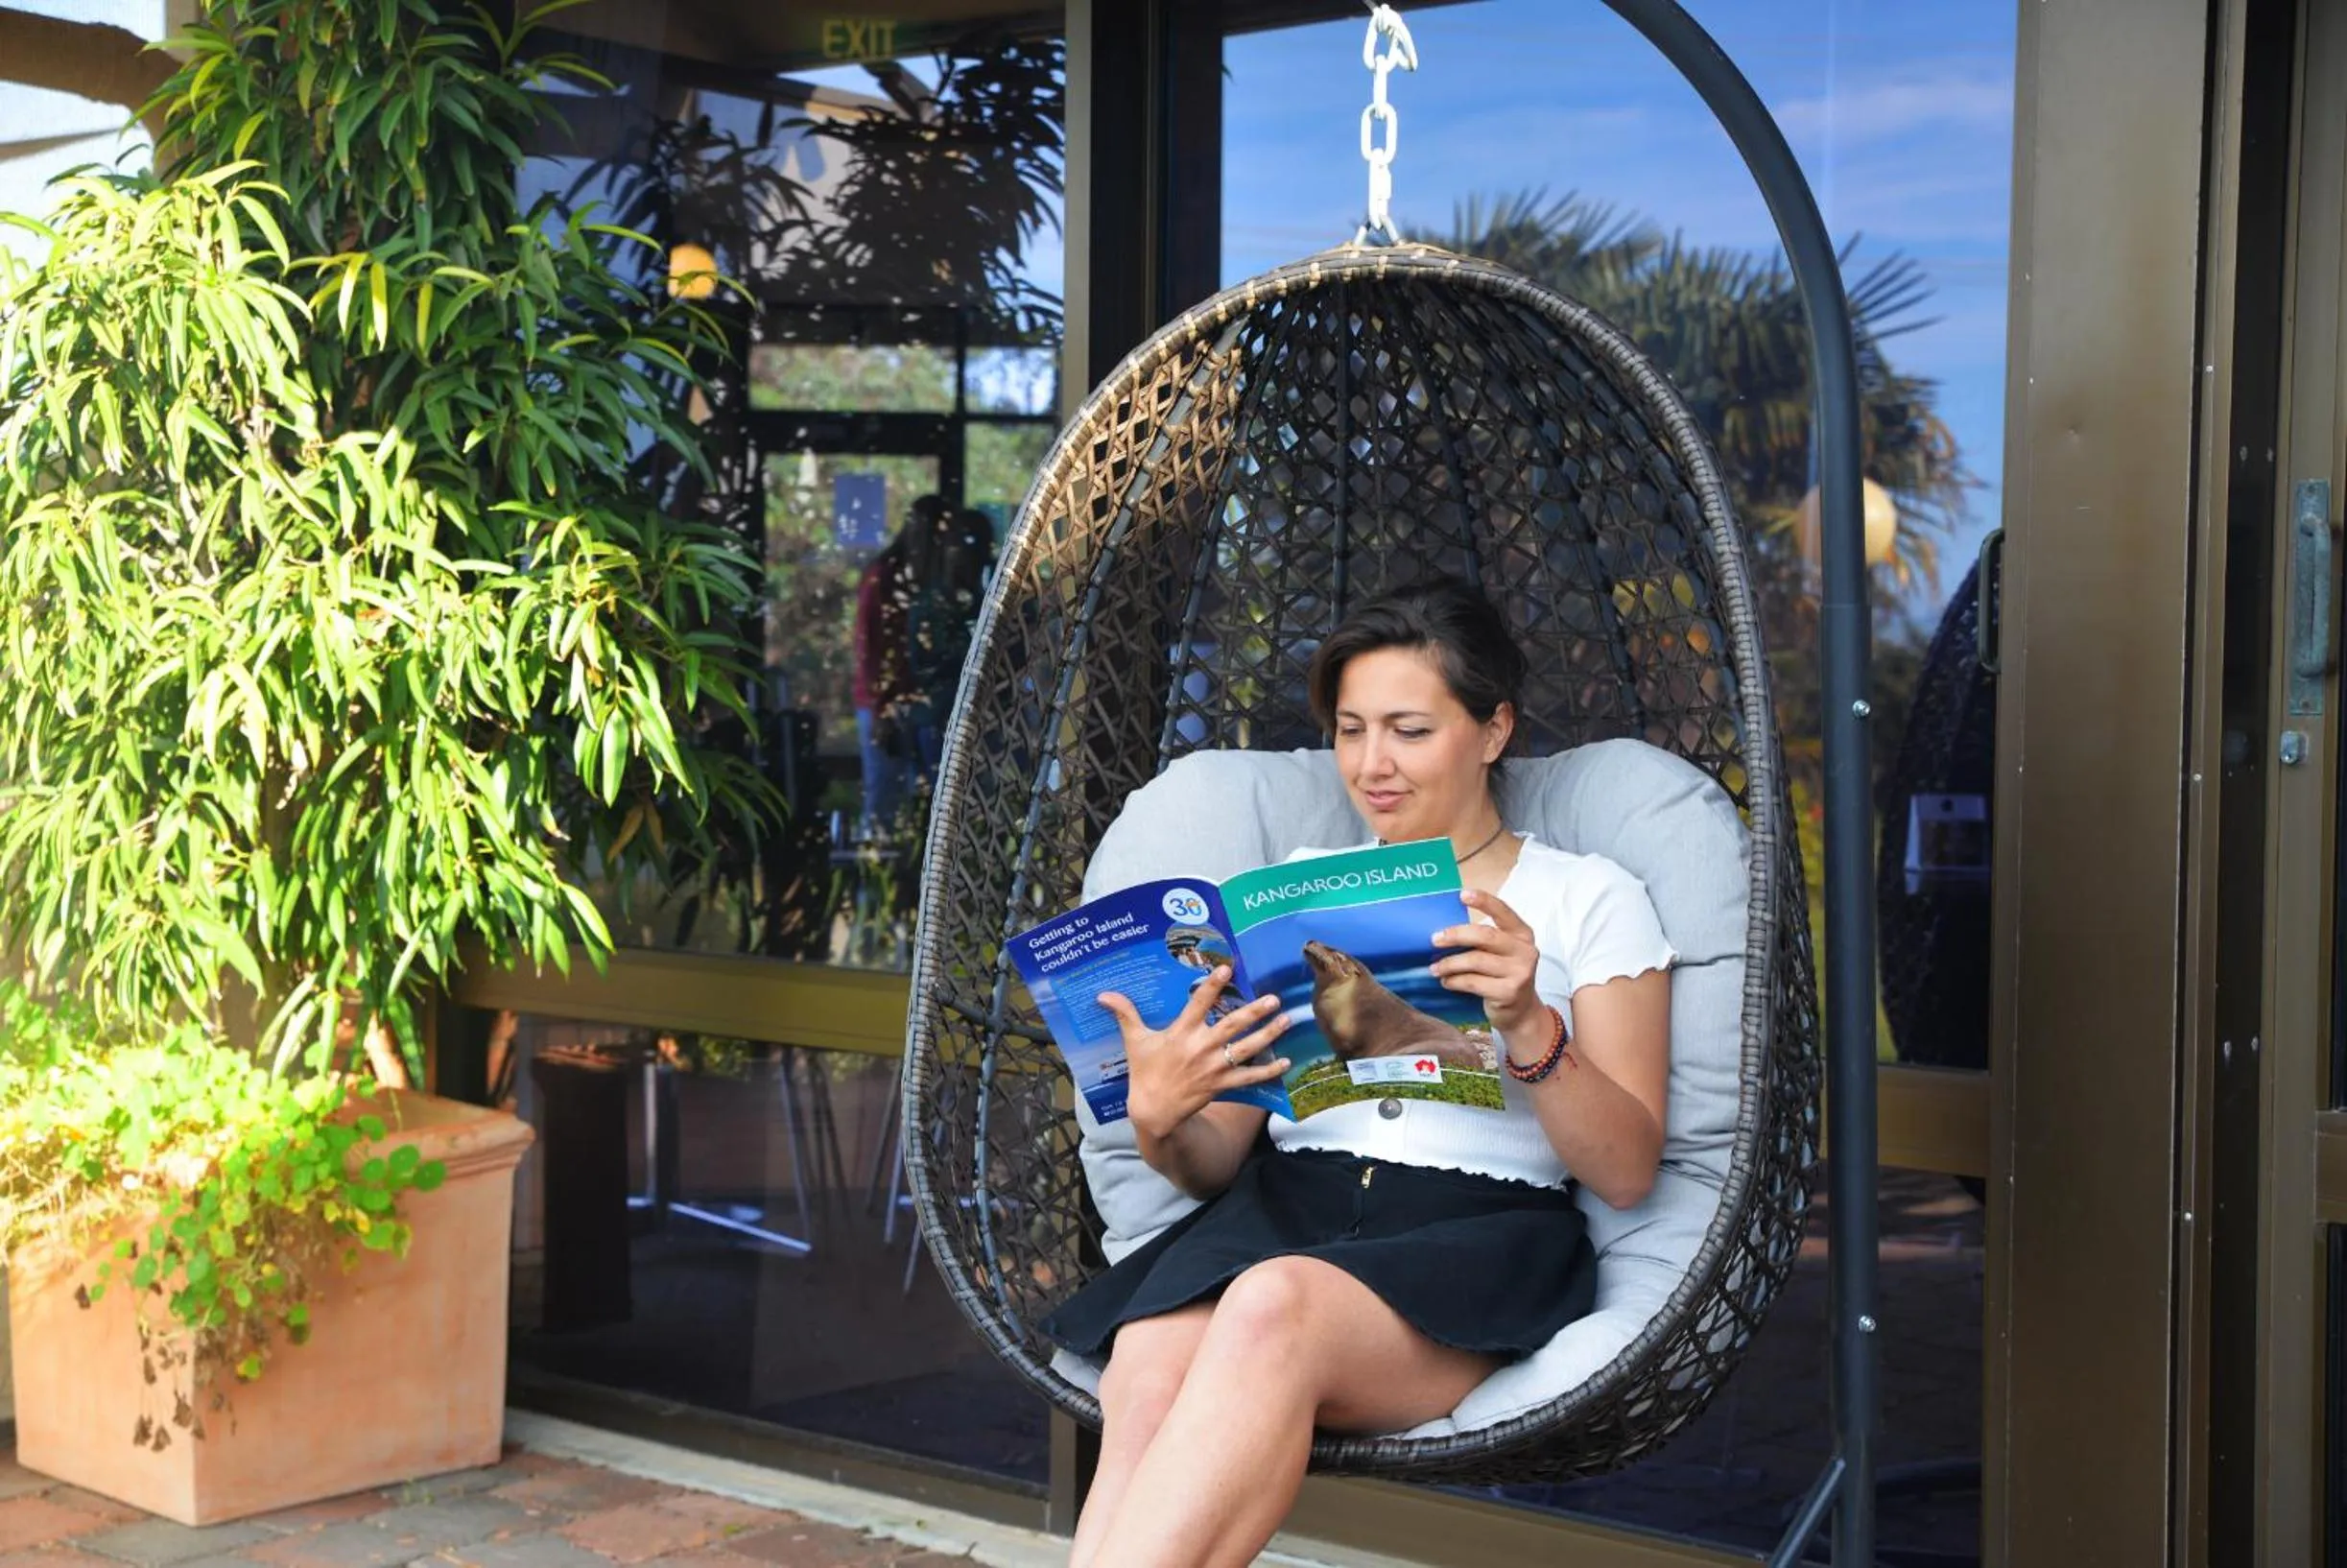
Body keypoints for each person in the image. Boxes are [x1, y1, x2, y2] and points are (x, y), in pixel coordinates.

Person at [1040, 579, 1676, 1568]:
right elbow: (1219, 1162)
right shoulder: (1290, 895)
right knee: (1152, 1352)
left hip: (1472, 1233)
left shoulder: (1587, 897)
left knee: (1268, 1303)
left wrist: (1526, 1020)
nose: (1371, 765)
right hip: (1289, 1207)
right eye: (1349, 730)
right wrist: (1165, 1119)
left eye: (1409, 729)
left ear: (1492, 728)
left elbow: (1629, 1167)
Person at [851, 495, 942, 836]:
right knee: (883, 793)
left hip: (916, 701)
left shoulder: (925, 581)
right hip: (885, 700)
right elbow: (869, 646)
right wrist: (880, 707)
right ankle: (876, 875)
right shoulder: (885, 577)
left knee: (915, 794)